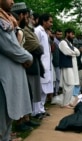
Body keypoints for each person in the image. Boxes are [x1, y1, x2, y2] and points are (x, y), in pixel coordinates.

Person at [0, 0, 33, 140]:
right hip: (3, 75)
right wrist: (28, 57)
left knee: (8, 118)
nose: (12, 1)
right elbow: (9, 47)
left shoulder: (6, 19)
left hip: (11, 74)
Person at [33, 13, 54, 117]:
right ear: (44, 21)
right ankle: (35, 112)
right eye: (50, 21)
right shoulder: (38, 31)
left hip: (48, 65)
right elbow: (34, 46)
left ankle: (41, 109)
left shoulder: (45, 33)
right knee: (40, 89)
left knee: (45, 89)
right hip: (41, 64)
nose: (51, 24)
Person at [58, 28, 80, 108]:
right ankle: (65, 103)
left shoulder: (69, 44)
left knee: (69, 84)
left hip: (71, 66)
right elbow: (67, 52)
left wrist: (73, 53)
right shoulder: (63, 43)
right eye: (72, 34)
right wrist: (74, 53)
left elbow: (78, 52)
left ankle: (66, 102)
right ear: (67, 34)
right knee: (69, 84)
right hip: (67, 65)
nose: (73, 36)